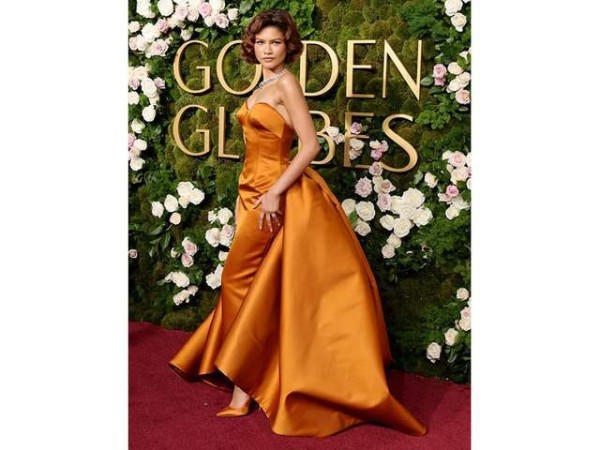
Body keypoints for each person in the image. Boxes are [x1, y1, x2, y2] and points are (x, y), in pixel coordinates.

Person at [168, 9, 427, 438]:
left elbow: (309, 146)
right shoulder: (263, 84)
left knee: (237, 281)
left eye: (276, 42)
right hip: (250, 191)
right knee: (255, 285)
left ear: (288, 46)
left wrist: (274, 192)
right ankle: (247, 380)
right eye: (261, 42)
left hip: (275, 194)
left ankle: (243, 385)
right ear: (252, 46)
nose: (267, 49)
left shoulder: (287, 83)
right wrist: (250, 193)